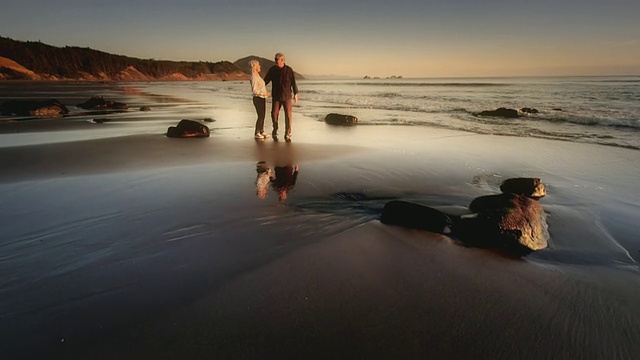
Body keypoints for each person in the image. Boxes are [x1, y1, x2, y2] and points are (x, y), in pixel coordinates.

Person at [264, 52, 299, 141]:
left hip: (287, 96)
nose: (275, 61)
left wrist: (295, 94)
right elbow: (265, 81)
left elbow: (293, 82)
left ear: (282, 60)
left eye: (277, 60)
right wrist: (259, 87)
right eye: (275, 59)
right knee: (274, 113)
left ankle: (288, 132)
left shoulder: (289, 70)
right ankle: (275, 129)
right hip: (276, 96)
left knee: (288, 115)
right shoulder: (272, 70)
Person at [248, 59, 271, 139]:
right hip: (258, 98)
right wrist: (265, 93)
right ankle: (257, 132)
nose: (260, 66)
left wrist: (265, 93)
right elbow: (255, 90)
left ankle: (261, 131)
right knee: (260, 115)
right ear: (255, 67)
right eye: (259, 65)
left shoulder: (257, 75)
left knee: (263, 115)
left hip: (262, 98)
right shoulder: (253, 77)